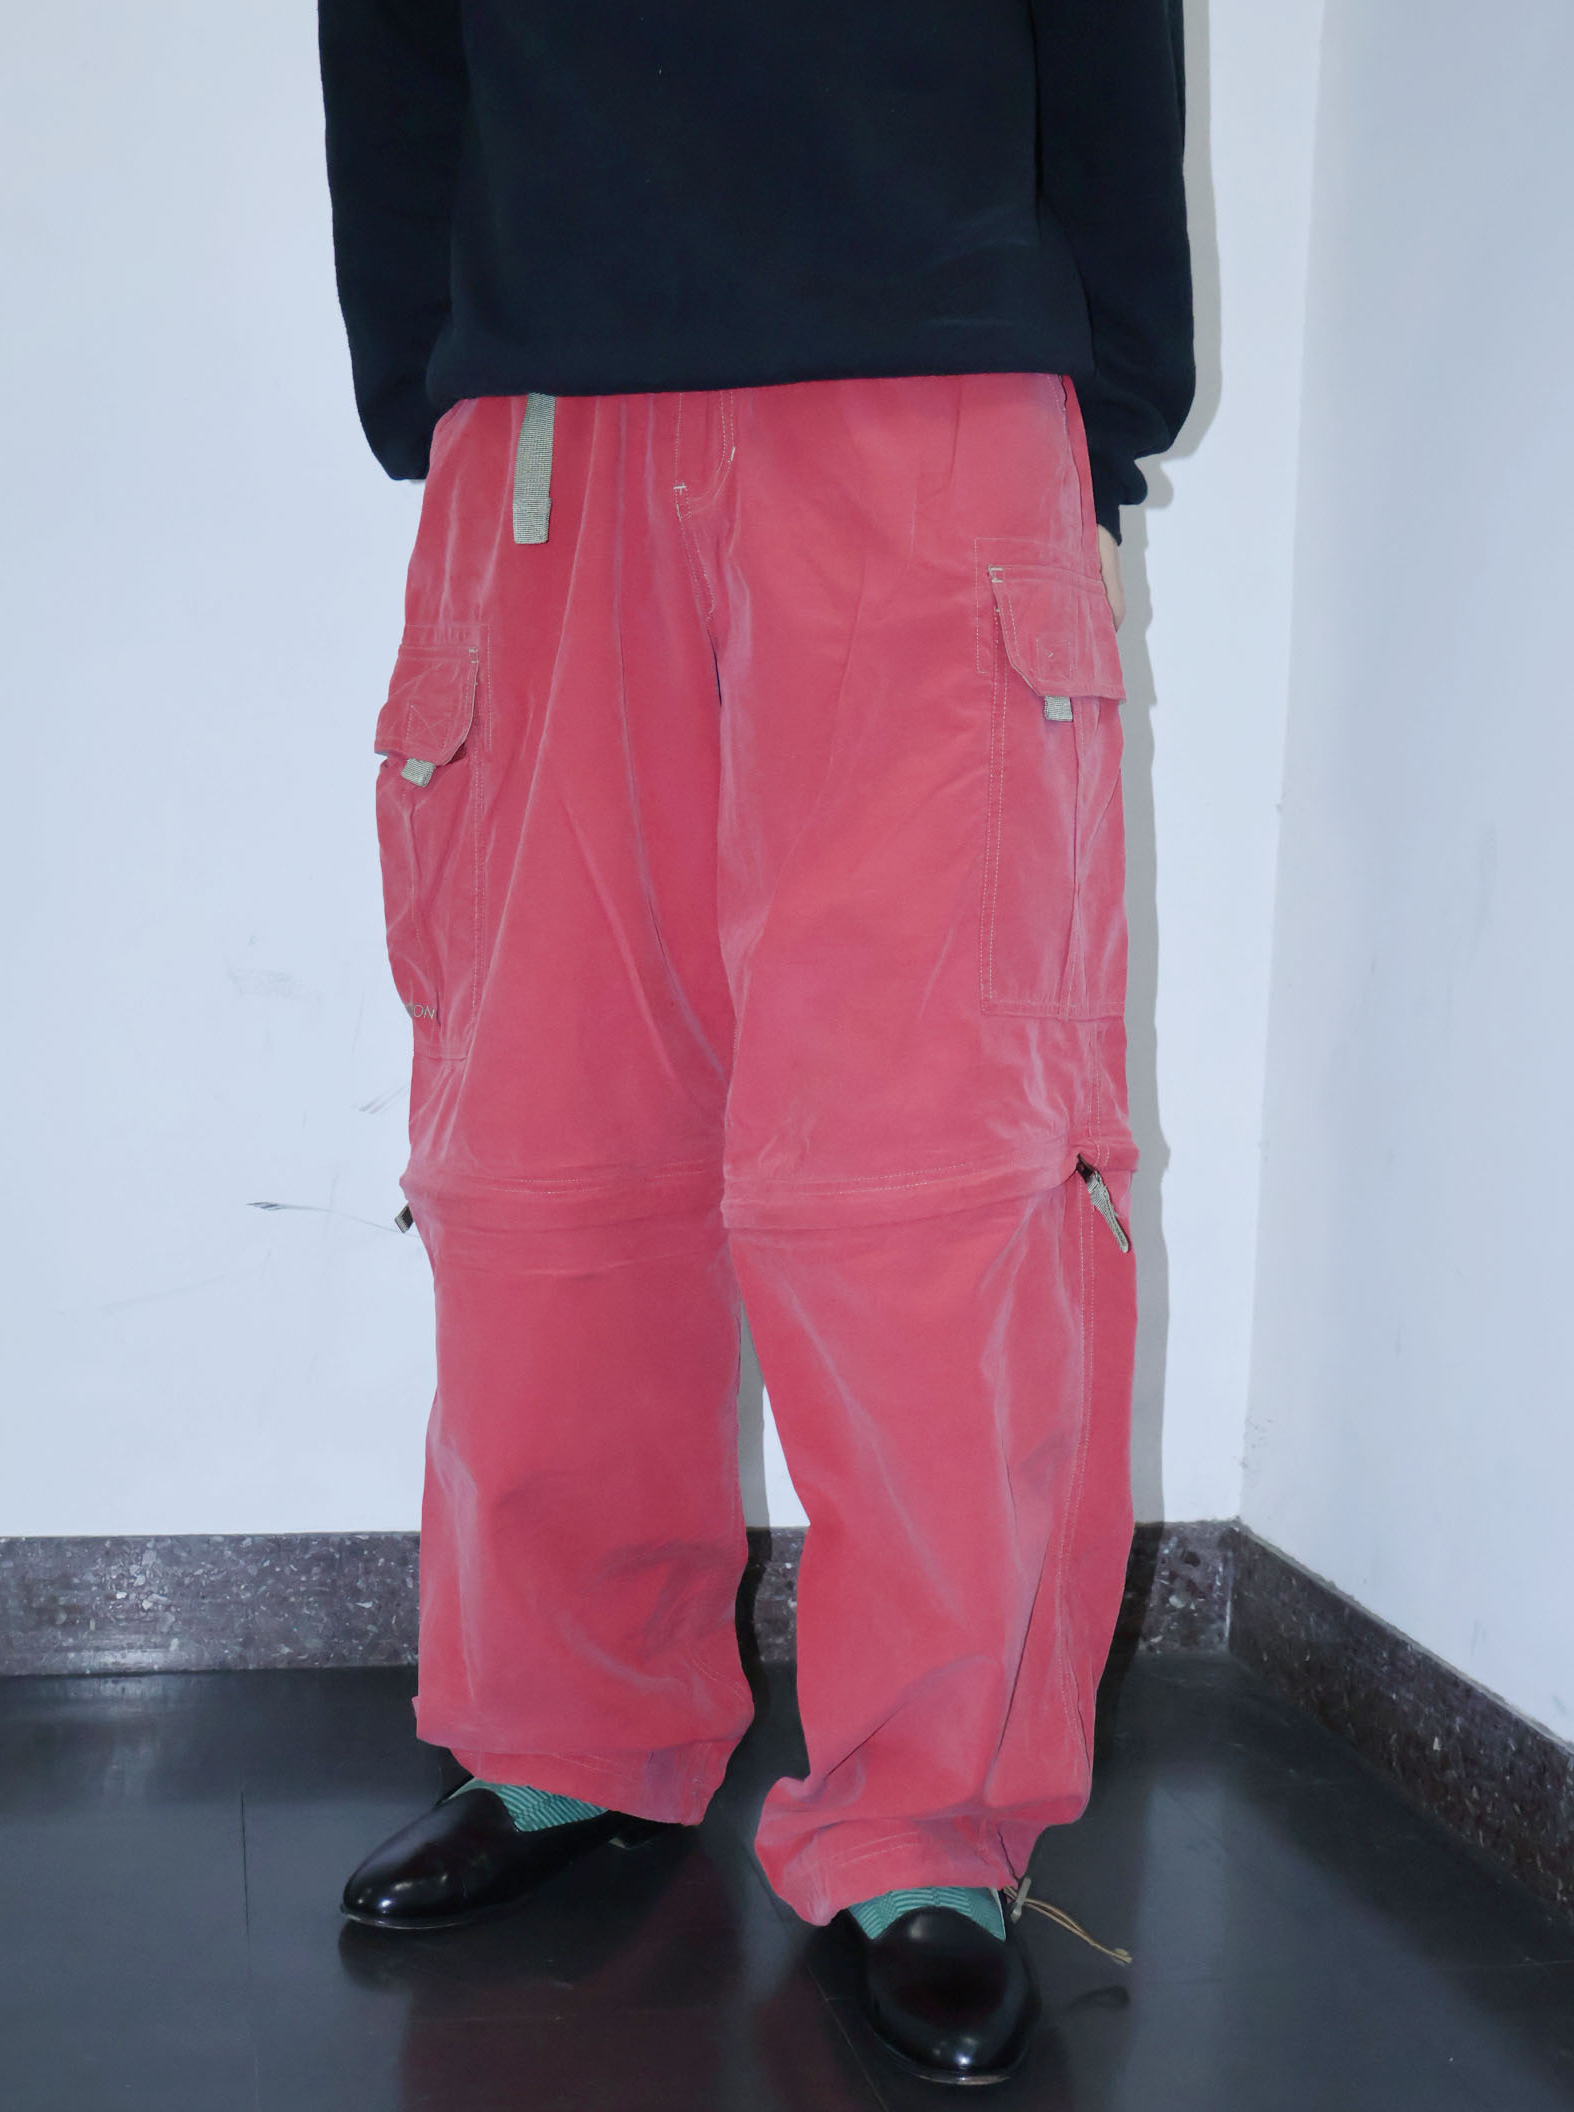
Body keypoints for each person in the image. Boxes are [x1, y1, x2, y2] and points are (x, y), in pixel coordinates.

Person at [317, 0, 1192, 2086]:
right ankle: (565, 1732)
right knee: (550, 1147)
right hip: (550, 403)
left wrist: (1092, 404)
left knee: (932, 1164)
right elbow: (390, 43)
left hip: (933, 379)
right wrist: (444, 365)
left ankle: (928, 1823)